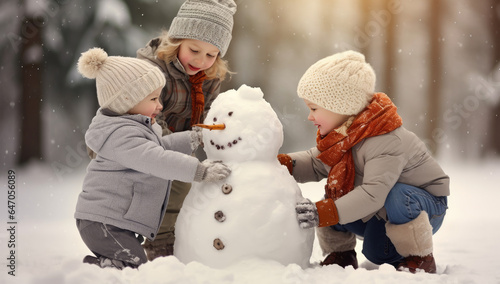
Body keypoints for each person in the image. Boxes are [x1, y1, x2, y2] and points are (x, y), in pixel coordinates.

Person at [278, 50, 450, 274]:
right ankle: (341, 252)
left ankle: (419, 257)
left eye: (313, 108)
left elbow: (372, 194)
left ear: (341, 106)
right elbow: (316, 162)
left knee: (393, 204)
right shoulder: (341, 134)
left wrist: (323, 213)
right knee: (335, 193)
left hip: (423, 206)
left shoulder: (385, 138)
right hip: (383, 206)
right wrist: (283, 164)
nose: (309, 116)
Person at [74, 47, 231, 269]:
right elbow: (156, 159)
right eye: (154, 98)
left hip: (111, 223)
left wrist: (193, 138)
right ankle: (98, 270)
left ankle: (100, 266)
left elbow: (161, 147)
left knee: (134, 263)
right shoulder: (120, 134)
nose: (160, 105)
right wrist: (200, 170)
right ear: (128, 100)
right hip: (103, 223)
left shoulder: (133, 127)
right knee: (134, 263)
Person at [135, 0, 237, 260]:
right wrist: (183, 147)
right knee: (180, 179)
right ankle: (161, 241)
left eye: (211, 54)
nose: (202, 60)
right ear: (176, 40)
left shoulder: (210, 75)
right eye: (194, 50)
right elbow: (149, 120)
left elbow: (209, 115)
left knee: (204, 178)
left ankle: (195, 233)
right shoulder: (154, 70)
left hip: (177, 142)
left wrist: (221, 134)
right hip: (141, 139)